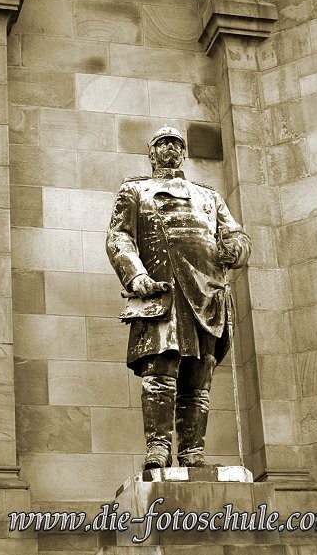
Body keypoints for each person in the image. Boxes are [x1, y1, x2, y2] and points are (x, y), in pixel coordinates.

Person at [106, 126, 251, 470]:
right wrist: (137, 275)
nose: (170, 148)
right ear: (152, 152)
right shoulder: (135, 190)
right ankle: (158, 447)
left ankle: (192, 451)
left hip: (207, 295)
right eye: (162, 143)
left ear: (184, 153)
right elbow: (119, 238)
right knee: (160, 371)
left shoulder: (208, 195)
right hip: (164, 294)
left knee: (198, 379)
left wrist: (237, 250)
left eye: (176, 144)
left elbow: (235, 234)